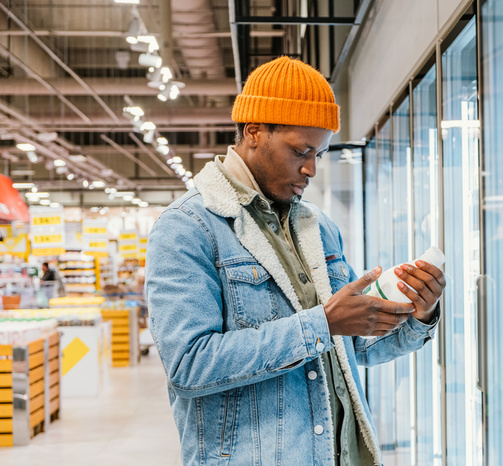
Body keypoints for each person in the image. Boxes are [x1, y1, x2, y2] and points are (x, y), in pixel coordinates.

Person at [145, 56, 446, 466]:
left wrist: (417, 312)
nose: (311, 169)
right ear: (254, 132)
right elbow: (190, 365)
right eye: (300, 151)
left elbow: (353, 346)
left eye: (319, 153)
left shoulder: (317, 227)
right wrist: (321, 324)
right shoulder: (187, 228)